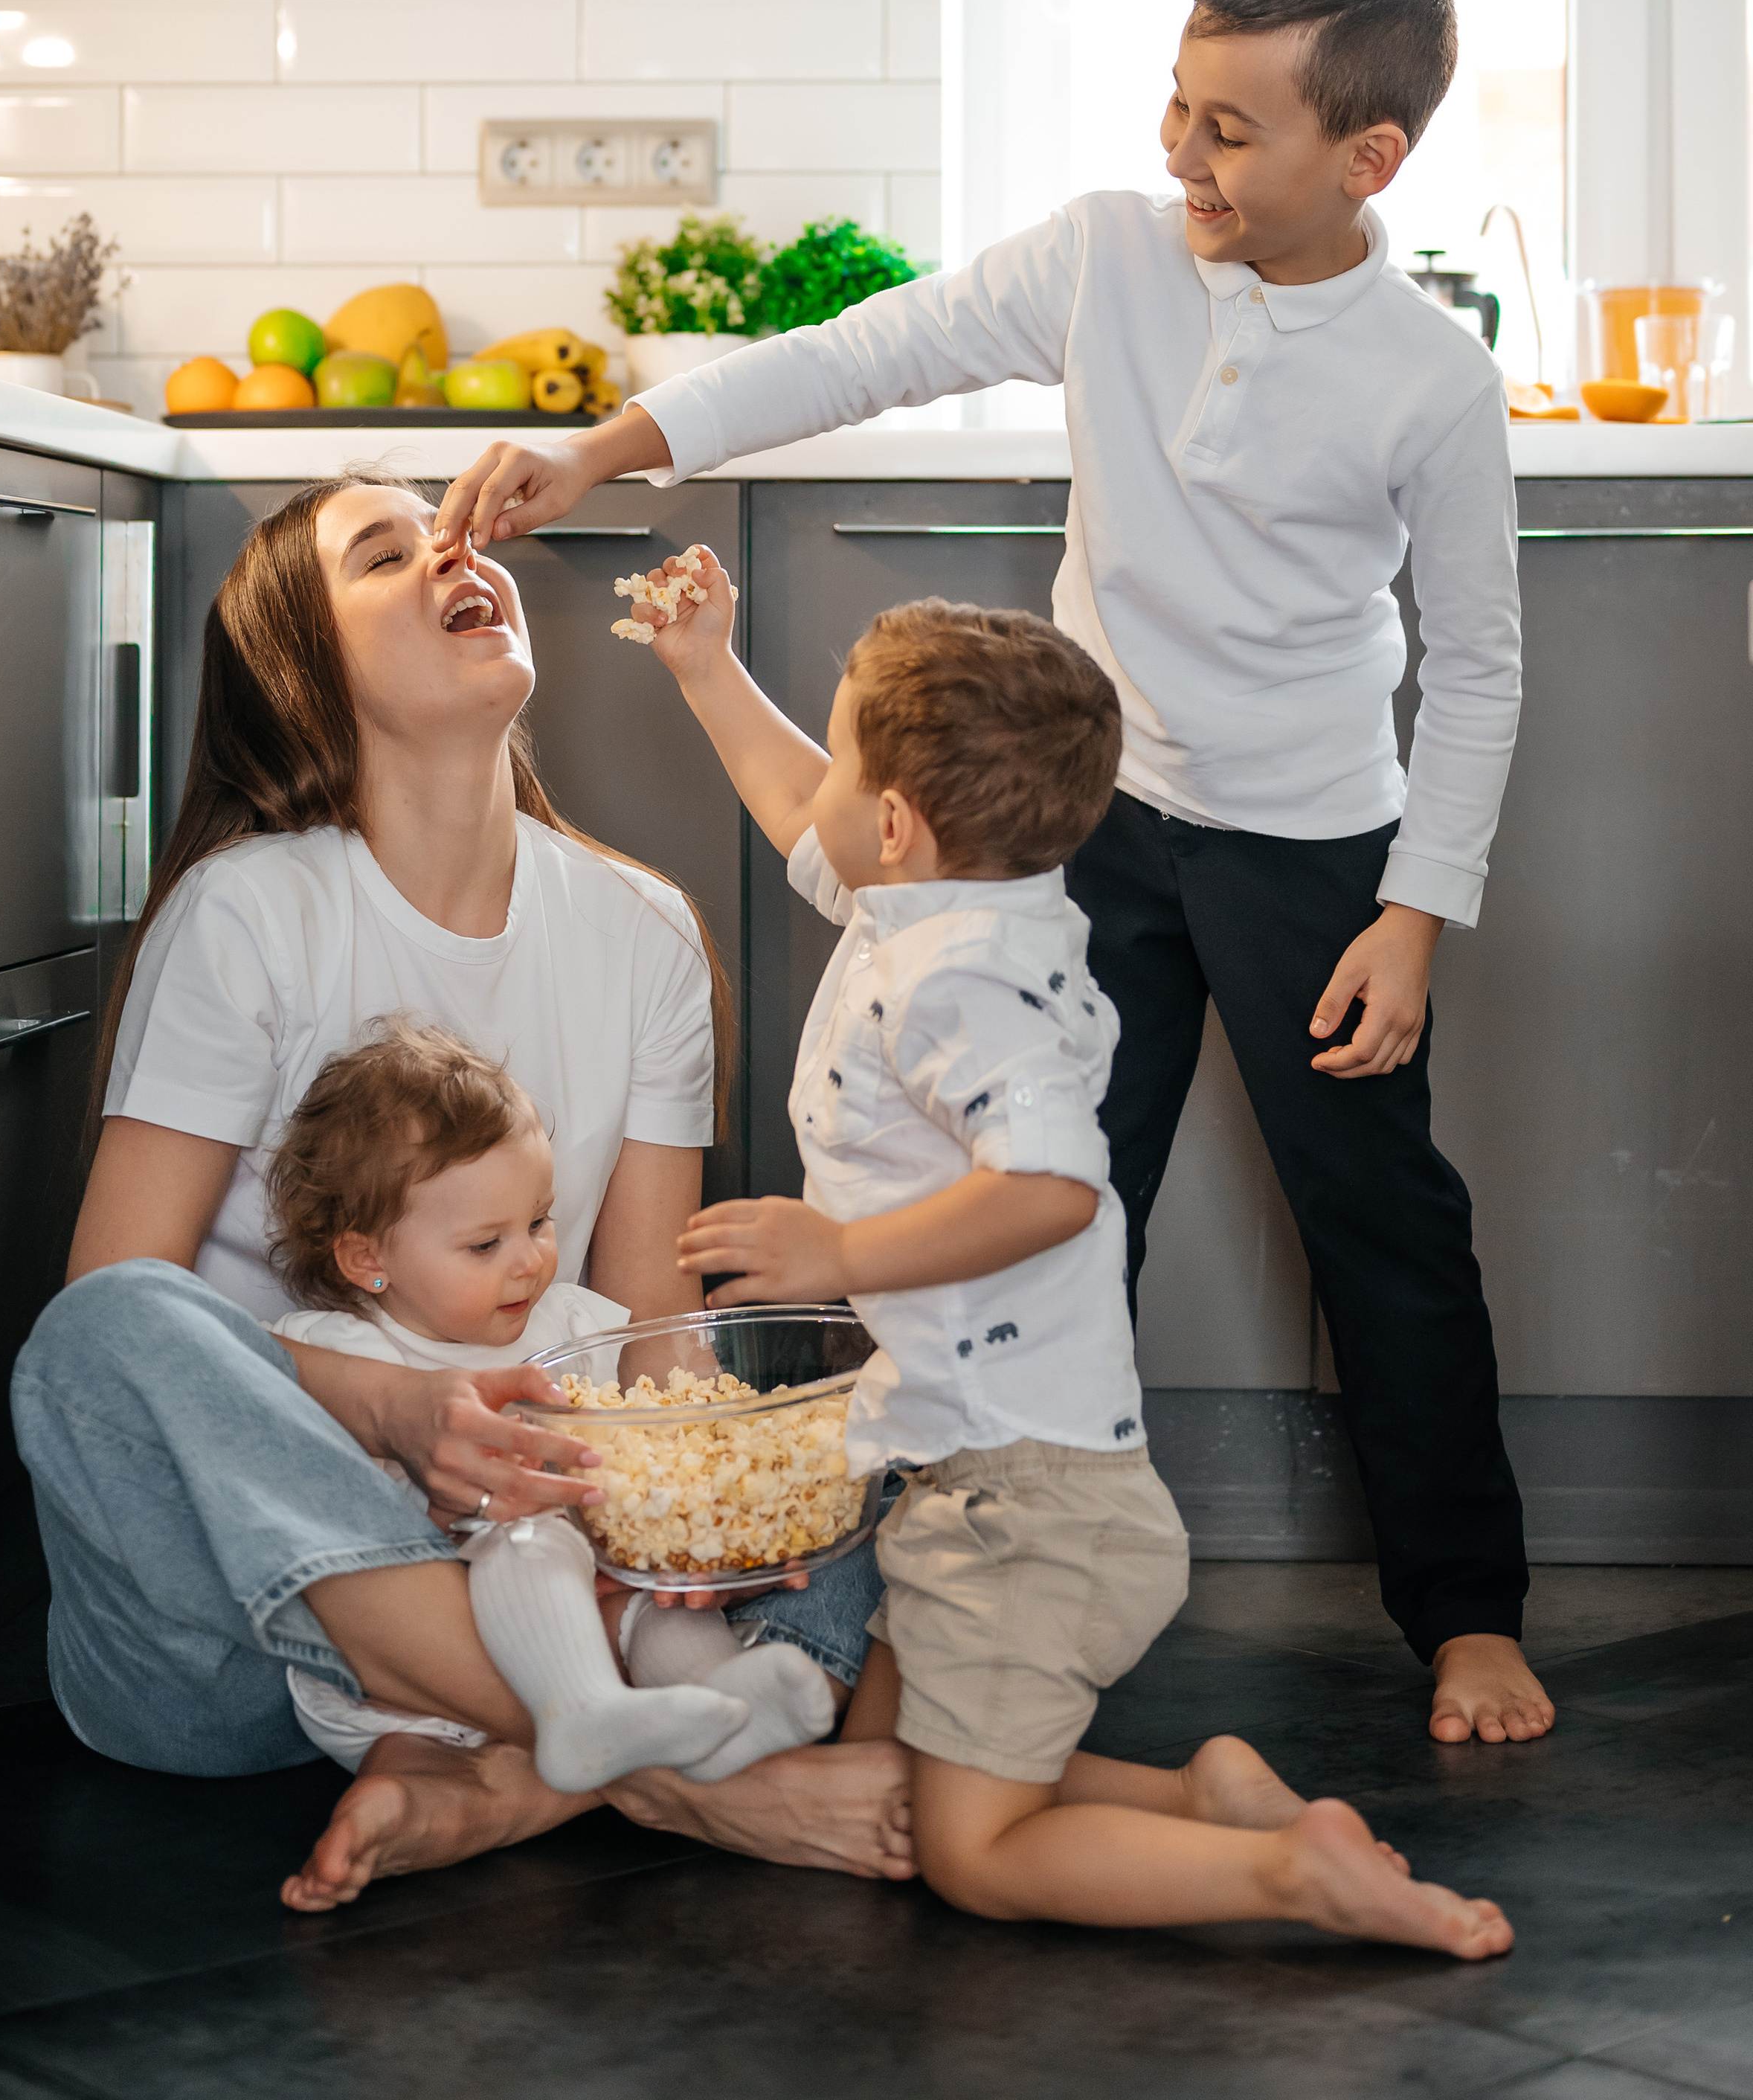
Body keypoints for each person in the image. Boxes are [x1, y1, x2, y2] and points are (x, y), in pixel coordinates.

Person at [431, 0, 1550, 1751]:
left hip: (1309, 855)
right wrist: (610, 447)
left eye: (1227, 127)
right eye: (1173, 104)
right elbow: (862, 352)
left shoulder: (1429, 381)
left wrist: (1411, 910)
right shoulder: (1105, 258)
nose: (1179, 153)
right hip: (1083, 828)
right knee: (1018, 1211)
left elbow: (1478, 668)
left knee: (1381, 1225)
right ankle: (963, 1601)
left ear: (1369, 156)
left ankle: (1464, 1609)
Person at [11, 475, 911, 1915]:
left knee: (916, 1379)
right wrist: (390, 1410)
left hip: (568, 1574)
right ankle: (682, 1781)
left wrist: (718, 1515)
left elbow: (648, 1339)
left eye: (446, 526)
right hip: (244, 1659)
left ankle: (518, 1772)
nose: (446, 547)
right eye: (383, 551)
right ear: (304, 674)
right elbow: (118, 1313)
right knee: (104, 1329)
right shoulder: (252, 913)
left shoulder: (640, 930)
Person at [618, 555, 1509, 1952]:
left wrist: (834, 1246)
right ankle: (1212, 1794)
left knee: (970, 1852)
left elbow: (1053, 1186)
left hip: (1027, 1509)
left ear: (900, 820)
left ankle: (1290, 1880)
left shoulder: (961, 974)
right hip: (969, 1481)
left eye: (845, 753)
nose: (826, 787)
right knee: (892, 1774)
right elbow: (803, 807)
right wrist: (701, 665)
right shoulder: (934, 903)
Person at [265, 1015, 834, 1790]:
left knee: (664, 1602)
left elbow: (652, 1443)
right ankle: (581, 1712)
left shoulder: (568, 1323)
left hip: (586, 1612)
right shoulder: (346, 1352)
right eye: (484, 1244)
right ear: (369, 1258)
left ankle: (724, 1709)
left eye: (538, 1221)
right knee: (529, 1542)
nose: (529, 1259)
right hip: (418, 1668)